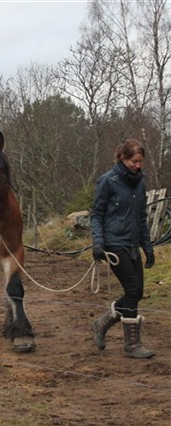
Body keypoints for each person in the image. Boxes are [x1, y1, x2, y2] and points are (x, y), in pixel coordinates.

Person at [90, 138, 156, 359]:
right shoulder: (108, 181)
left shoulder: (140, 183)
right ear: (122, 158)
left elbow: (141, 217)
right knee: (133, 291)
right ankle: (131, 344)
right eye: (134, 161)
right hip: (114, 244)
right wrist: (98, 243)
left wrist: (148, 248)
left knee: (136, 294)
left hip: (133, 244)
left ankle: (102, 324)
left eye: (140, 162)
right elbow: (97, 214)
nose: (138, 166)